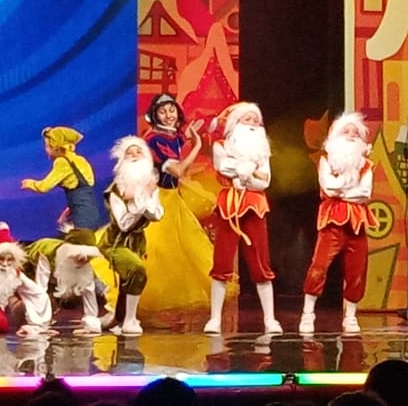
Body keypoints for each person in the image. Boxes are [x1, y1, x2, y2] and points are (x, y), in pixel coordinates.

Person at [139, 93, 230, 324]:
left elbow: (191, 133)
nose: (168, 115)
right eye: (163, 112)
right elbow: (178, 170)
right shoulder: (154, 140)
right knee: (160, 251)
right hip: (158, 200)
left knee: (182, 250)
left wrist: (203, 129)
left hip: (173, 198)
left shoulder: (173, 135)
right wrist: (197, 144)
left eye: (172, 110)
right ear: (155, 115)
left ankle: (170, 311)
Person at [204, 102, 282, 334]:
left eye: (256, 121)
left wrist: (246, 175)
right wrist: (244, 169)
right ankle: (215, 318)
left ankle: (270, 319)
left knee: (260, 261)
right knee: (222, 260)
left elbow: (264, 181)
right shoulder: (221, 146)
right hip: (229, 204)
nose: (252, 124)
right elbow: (223, 167)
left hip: (254, 205)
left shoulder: (262, 152)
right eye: (247, 119)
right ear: (235, 123)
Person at [298, 112, 378, 335]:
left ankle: (350, 315)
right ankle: (308, 313)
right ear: (336, 136)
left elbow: (364, 193)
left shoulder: (366, 164)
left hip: (356, 221)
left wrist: (342, 189)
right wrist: (348, 184)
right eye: (346, 131)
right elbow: (329, 188)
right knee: (319, 267)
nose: (351, 135)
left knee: (357, 270)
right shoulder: (326, 160)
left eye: (356, 133)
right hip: (332, 220)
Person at [99, 136, 164, 336]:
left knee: (128, 279)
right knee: (136, 270)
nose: (135, 156)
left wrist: (142, 195)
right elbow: (124, 224)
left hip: (137, 242)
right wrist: (141, 199)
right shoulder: (116, 189)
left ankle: (118, 319)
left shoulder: (149, 185)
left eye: (138, 152)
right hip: (115, 242)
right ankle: (129, 320)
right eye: (130, 153)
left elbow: (157, 214)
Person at [25, 227, 113, 334]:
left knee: (80, 290)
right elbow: (39, 290)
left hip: (55, 278)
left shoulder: (85, 265)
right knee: (35, 299)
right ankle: (36, 323)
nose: (84, 260)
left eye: (89, 257)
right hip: (28, 268)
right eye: (79, 255)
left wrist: (90, 326)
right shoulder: (47, 254)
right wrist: (40, 326)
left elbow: (89, 293)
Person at [20, 125, 100, 230]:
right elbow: (83, 191)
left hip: (82, 218)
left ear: (56, 147)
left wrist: (30, 183)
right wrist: (68, 211)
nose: (46, 150)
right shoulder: (80, 160)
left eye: (47, 146)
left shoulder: (62, 162)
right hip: (92, 213)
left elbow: (44, 187)